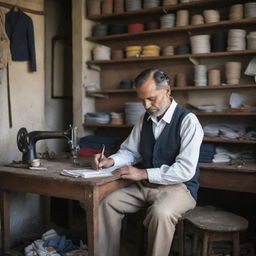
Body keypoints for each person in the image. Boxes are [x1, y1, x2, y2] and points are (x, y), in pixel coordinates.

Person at [93, 68, 204, 256]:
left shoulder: (188, 121)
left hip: (179, 188)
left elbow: (185, 170)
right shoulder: (145, 119)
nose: (146, 105)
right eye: (142, 99)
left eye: (151, 99)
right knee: (107, 203)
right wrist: (111, 161)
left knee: (161, 213)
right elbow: (130, 151)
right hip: (146, 186)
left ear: (167, 91)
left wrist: (142, 173)